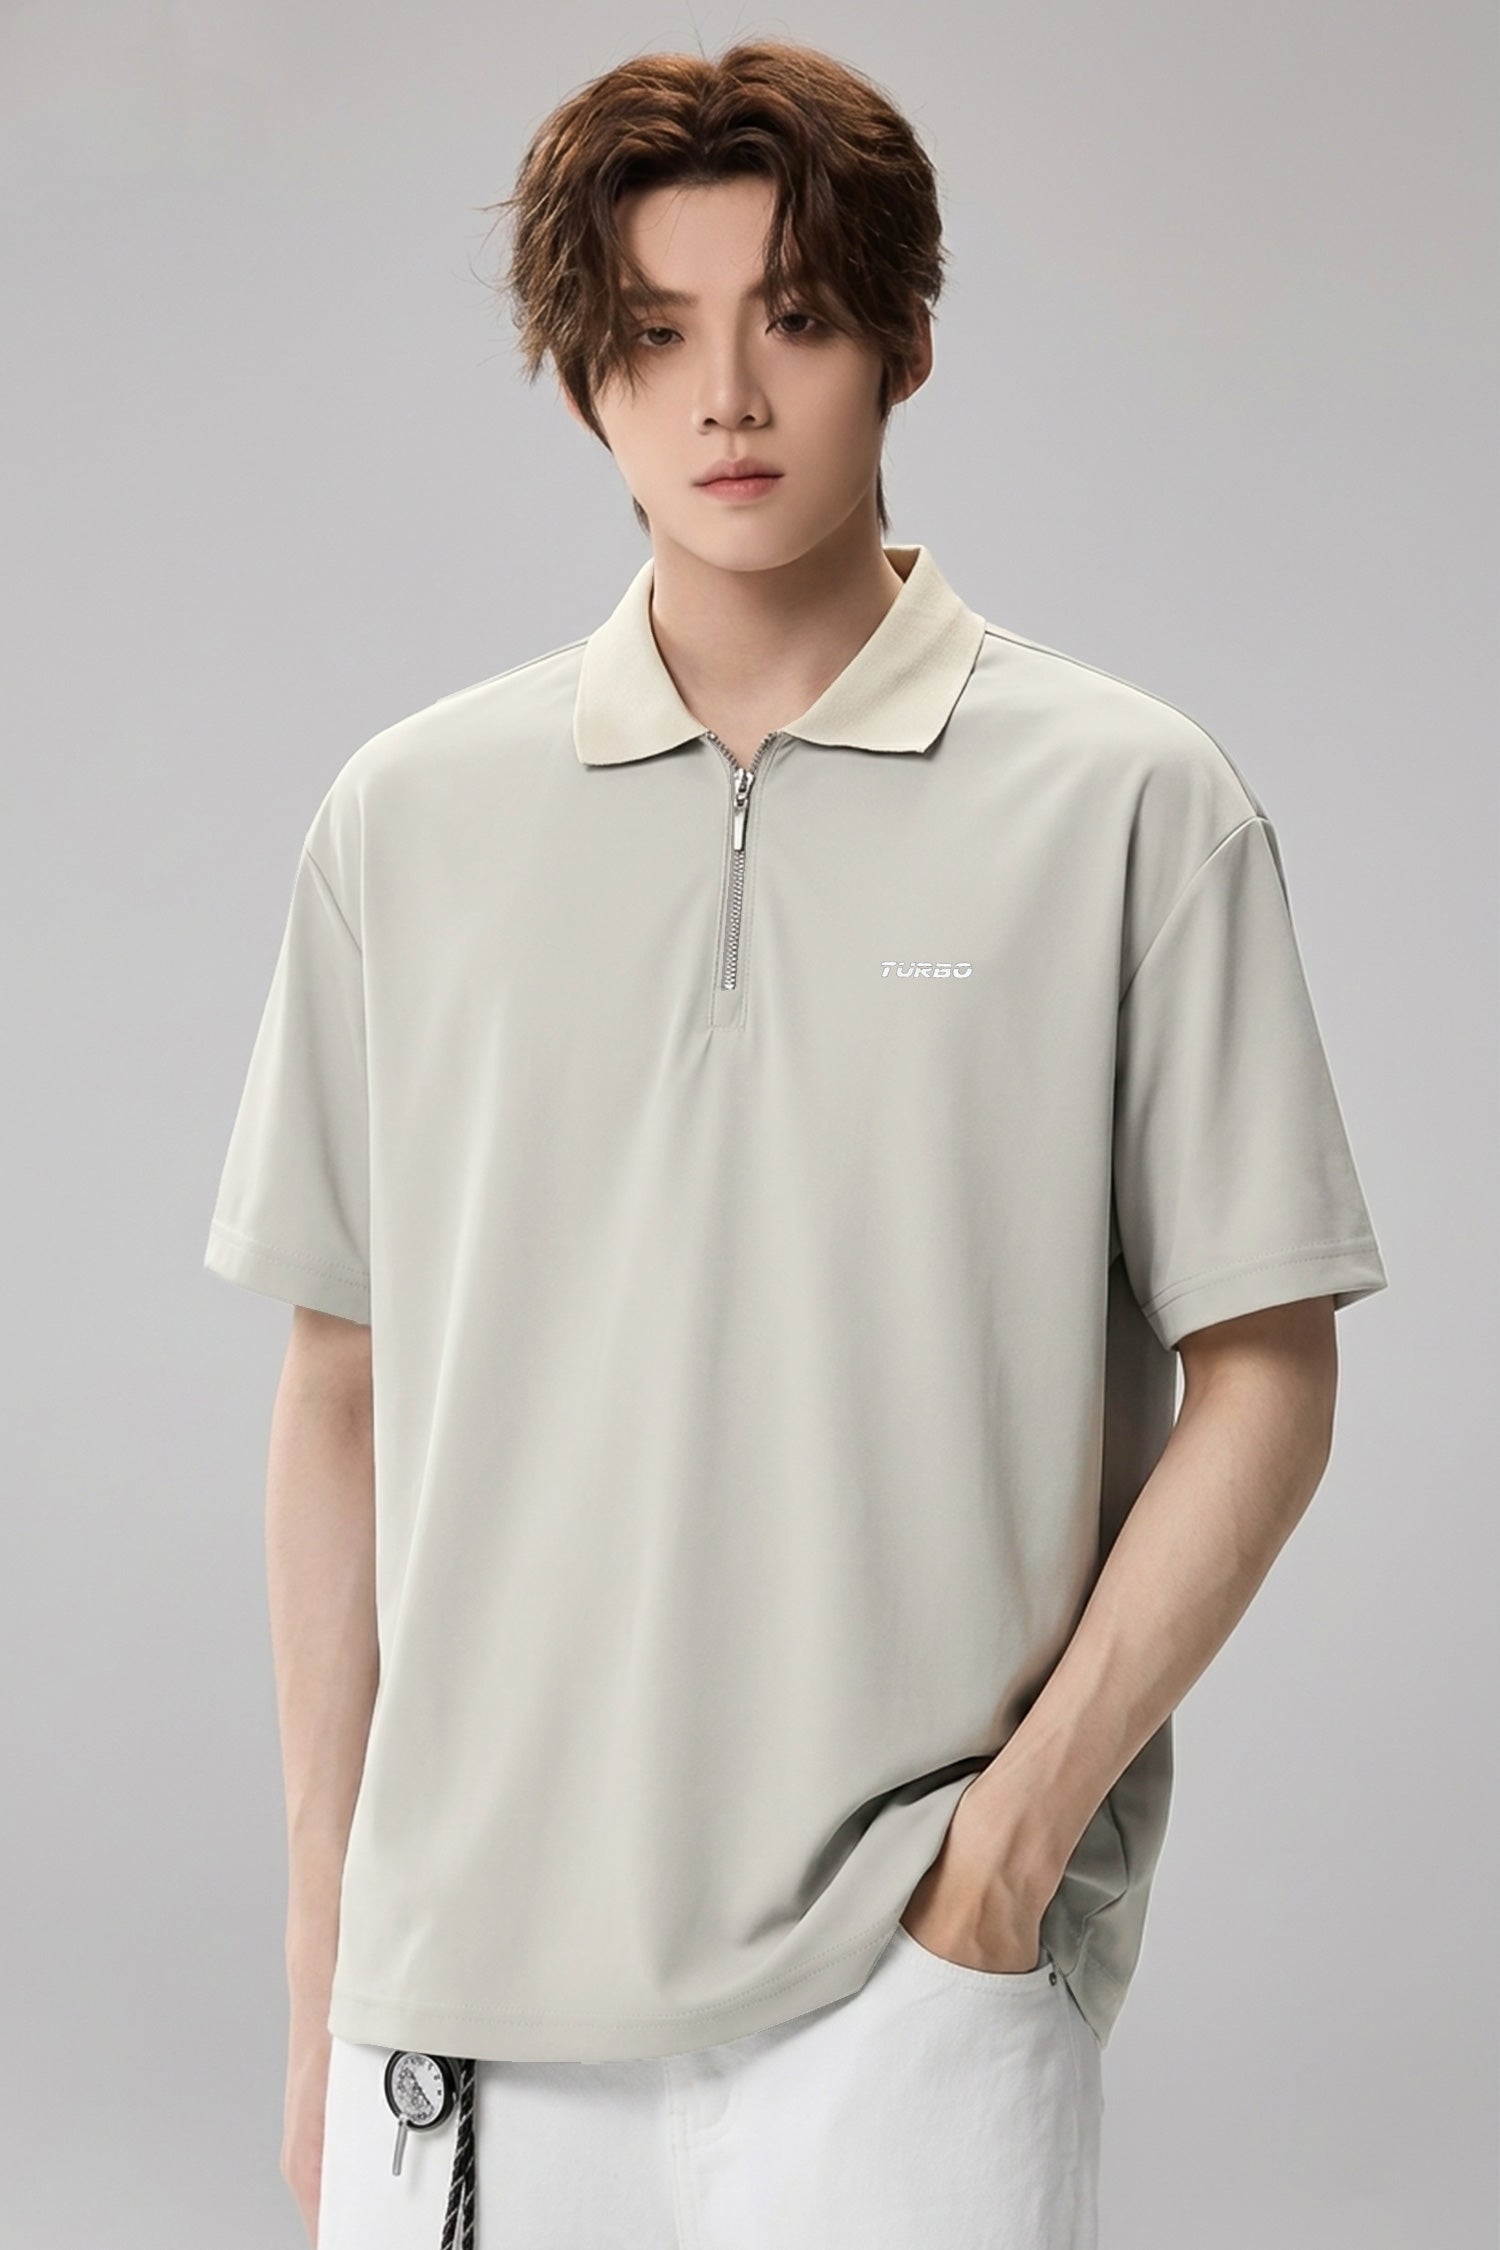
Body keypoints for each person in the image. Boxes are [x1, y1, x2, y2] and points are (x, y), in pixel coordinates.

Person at [203, 38, 1389, 2250]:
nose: (726, 399)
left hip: (911, 1998)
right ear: (582, 377)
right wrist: (321, 1976)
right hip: (467, 2016)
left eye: (799, 317)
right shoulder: (406, 823)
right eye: (654, 336)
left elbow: (1272, 1369)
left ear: (908, 341)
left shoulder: (1129, 806)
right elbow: (336, 1396)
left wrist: (1008, 1862)